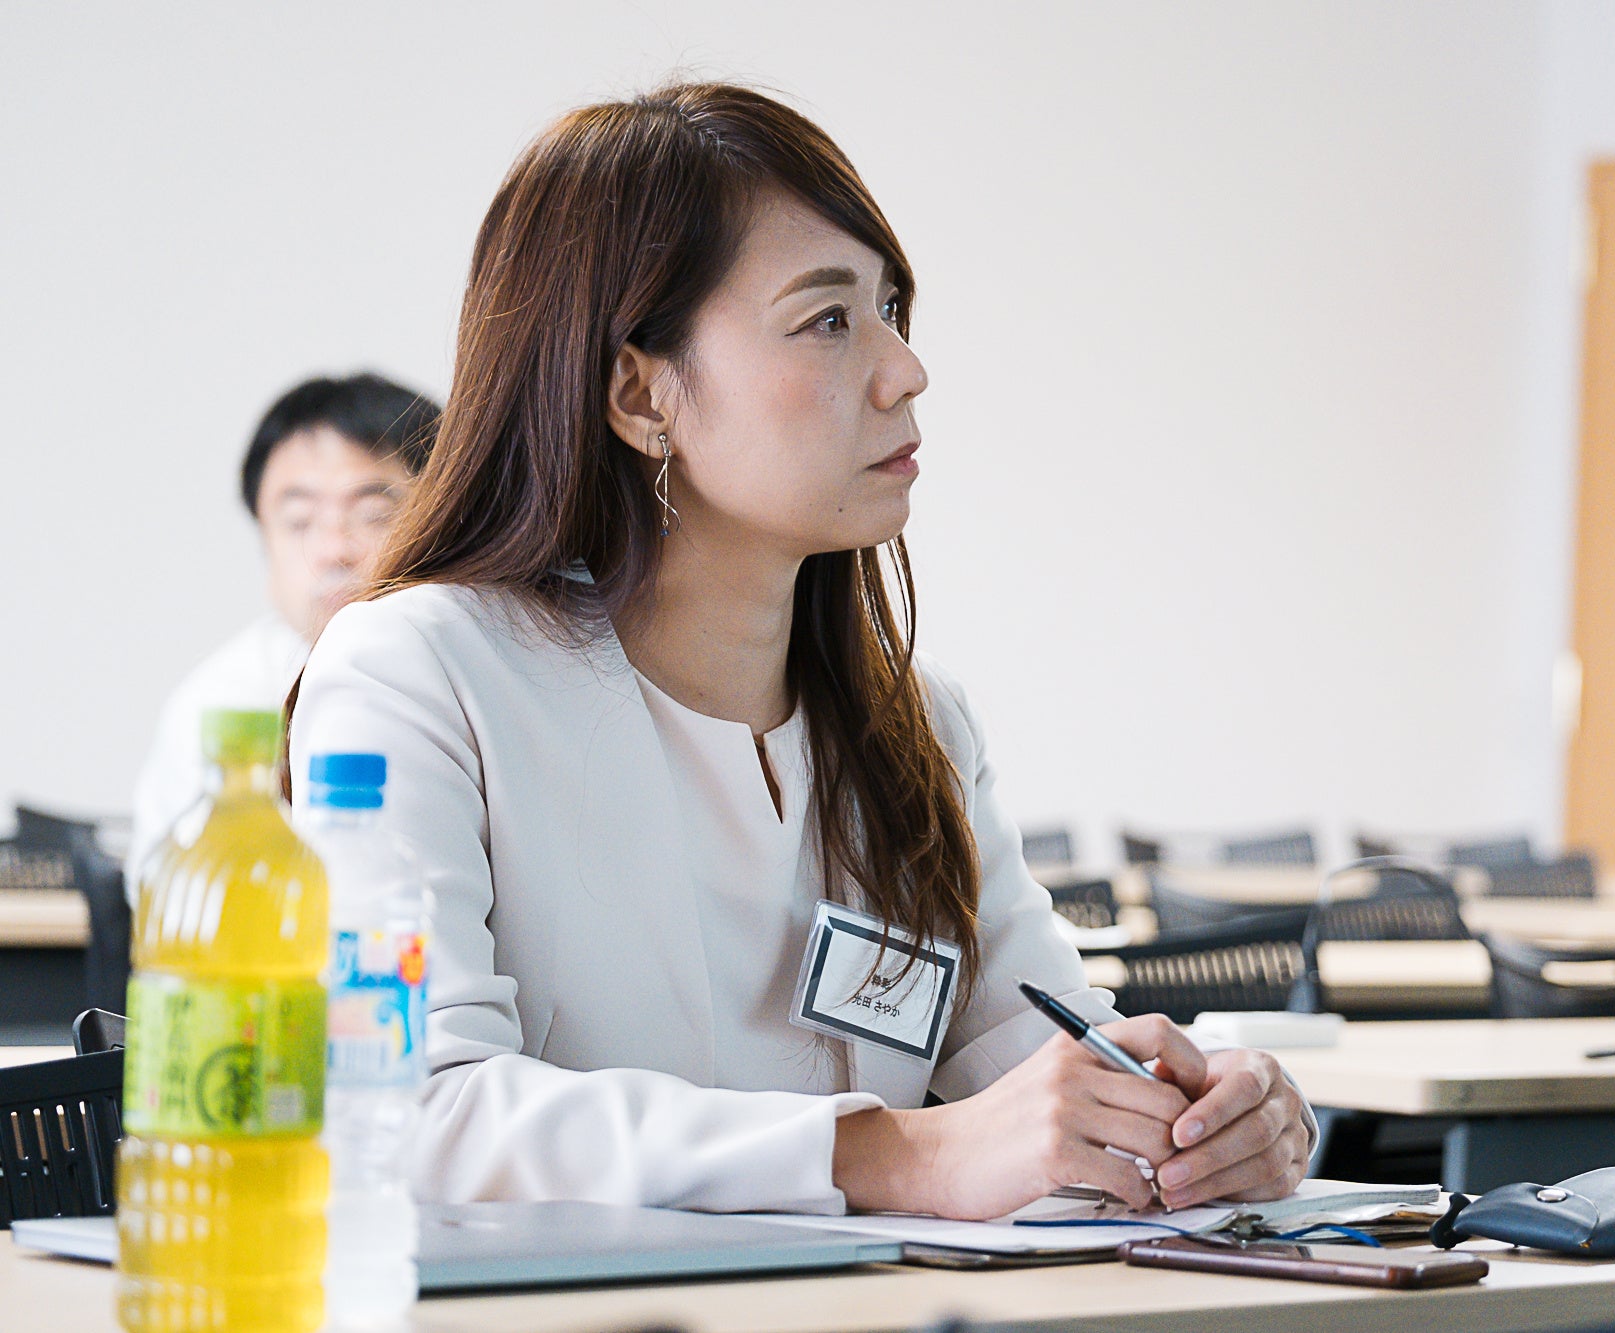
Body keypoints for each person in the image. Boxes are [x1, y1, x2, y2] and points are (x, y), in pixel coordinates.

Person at [288, 83, 1313, 1220]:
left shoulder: (917, 725)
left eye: (890, 310)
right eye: (828, 319)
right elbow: (408, 1107)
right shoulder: (417, 674)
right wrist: (896, 1155)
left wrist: (1198, 1120)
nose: (903, 370)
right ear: (637, 392)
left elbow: (1036, 1065)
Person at [126, 374, 440, 892]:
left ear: (443, 519)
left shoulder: (485, 677)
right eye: (299, 521)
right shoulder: (217, 705)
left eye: (375, 514)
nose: (334, 550)